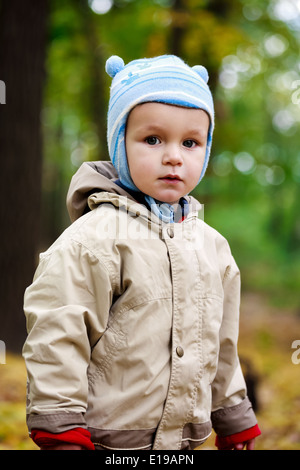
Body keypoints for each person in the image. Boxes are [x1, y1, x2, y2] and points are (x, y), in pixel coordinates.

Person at [23, 55, 261, 451]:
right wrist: (59, 423)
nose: (173, 156)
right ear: (120, 144)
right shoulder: (95, 239)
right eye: (153, 139)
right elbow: (58, 331)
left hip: (185, 442)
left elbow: (220, 343)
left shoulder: (212, 246)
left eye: (190, 142)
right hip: (107, 441)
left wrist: (232, 414)